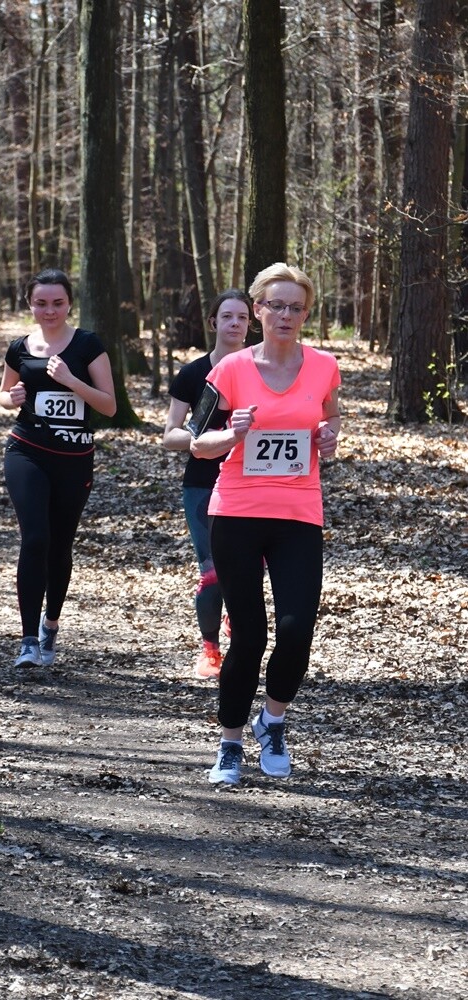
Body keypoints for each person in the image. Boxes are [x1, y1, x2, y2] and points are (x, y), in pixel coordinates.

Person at [191, 263, 341, 785]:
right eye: (275, 305)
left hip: (299, 512)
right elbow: (196, 442)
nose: (285, 315)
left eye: (295, 307)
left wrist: (328, 436)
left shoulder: (323, 366)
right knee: (249, 636)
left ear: (306, 313)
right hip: (236, 510)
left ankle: (271, 721)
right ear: (257, 310)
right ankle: (230, 743)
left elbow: (330, 416)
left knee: (298, 631)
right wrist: (231, 436)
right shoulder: (230, 369)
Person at [0, 267, 116, 668]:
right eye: (41, 303)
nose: (49, 311)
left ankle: (51, 624)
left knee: (60, 545)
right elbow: (3, 393)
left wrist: (71, 380)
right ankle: (28, 639)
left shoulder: (87, 345)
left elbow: (109, 405)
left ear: (69, 304)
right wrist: (10, 398)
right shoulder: (19, 347)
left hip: (74, 456)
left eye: (58, 303)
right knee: (35, 538)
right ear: (30, 304)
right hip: (26, 450)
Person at [163, 290, 251, 679]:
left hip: (256, 482)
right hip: (202, 483)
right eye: (227, 317)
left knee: (246, 569)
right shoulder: (193, 373)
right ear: (213, 323)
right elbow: (170, 436)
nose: (235, 324)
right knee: (212, 570)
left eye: (243, 318)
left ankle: (235, 618)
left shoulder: (263, 368)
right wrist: (203, 439)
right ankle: (210, 649)